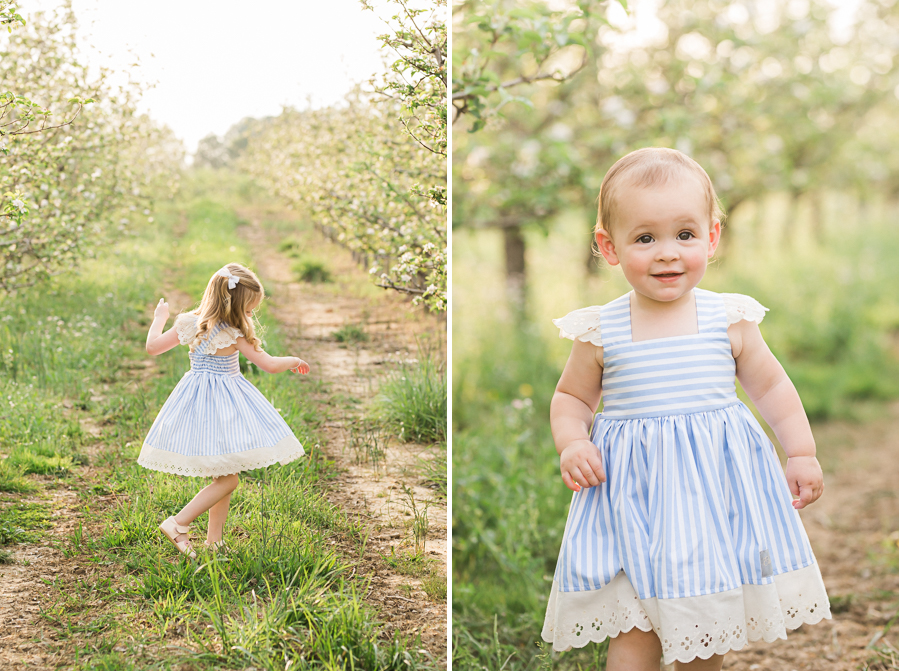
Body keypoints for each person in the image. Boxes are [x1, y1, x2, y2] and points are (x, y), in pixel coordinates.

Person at [541, 148, 830, 670]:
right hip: (632, 501)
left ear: (712, 236)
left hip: (709, 503)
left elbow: (772, 389)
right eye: (645, 238)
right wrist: (574, 441)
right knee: (635, 626)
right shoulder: (602, 330)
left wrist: (801, 452)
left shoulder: (729, 319)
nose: (667, 253)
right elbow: (572, 398)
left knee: (704, 629)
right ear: (609, 247)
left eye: (685, 235)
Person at [138, 263, 309, 558]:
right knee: (229, 478)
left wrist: (159, 318)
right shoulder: (233, 331)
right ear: (235, 304)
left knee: (224, 473)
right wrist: (293, 360)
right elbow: (268, 364)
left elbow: (152, 347)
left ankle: (214, 541)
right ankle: (178, 523)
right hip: (224, 406)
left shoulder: (189, 323)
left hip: (196, 404)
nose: (252, 314)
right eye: (250, 308)